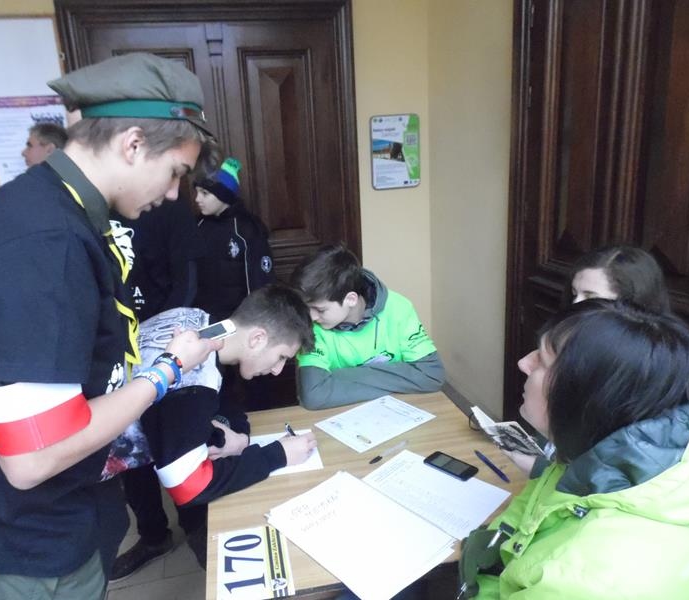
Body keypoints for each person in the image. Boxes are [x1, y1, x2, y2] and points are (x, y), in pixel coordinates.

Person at [0, 52, 223, 599]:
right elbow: (33, 457)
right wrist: (169, 371)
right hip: (15, 542)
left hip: (61, 520)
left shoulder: (66, 211)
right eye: (175, 172)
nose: (175, 194)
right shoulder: (44, 240)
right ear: (133, 145)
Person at [457, 300, 689, 599]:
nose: (524, 362)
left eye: (543, 361)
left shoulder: (586, 582)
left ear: (591, 396)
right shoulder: (599, 453)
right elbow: (522, 520)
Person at [109, 284, 317, 571]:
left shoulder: (198, 323)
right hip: (83, 471)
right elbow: (187, 486)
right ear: (257, 338)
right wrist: (278, 454)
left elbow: (218, 398)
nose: (278, 370)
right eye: (281, 356)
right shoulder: (194, 381)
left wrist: (239, 437)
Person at [508, 244, 672, 477]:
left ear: (631, 307)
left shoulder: (641, 374)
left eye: (590, 297)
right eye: (574, 293)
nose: (576, 305)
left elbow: (608, 473)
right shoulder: (568, 337)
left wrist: (540, 468)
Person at [108, 198, 207, 581]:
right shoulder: (96, 208)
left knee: (177, 440)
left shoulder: (171, 209)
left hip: (168, 342)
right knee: (131, 447)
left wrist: (163, 345)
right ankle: (153, 537)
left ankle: (197, 527)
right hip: (117, 347)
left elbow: (187, 281)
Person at [289, 243, 444, 409]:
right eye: (307, 308)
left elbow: (432, 375)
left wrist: (335, 380)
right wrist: (402, 377)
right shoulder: (310, 324)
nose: (311, 317)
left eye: (320, 310)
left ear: (351, 299)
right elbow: (314, 394)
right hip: (340, 415)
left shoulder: (399, 307)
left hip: (398, 409)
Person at [193, 156, 275, 319]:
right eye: (196, 192)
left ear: (223, 195)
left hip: (237, 320)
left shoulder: (248, 229)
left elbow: (260, 281)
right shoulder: (198, 225)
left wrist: (255, 318)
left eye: (205, 193)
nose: (197, 199)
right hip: (200, 318)